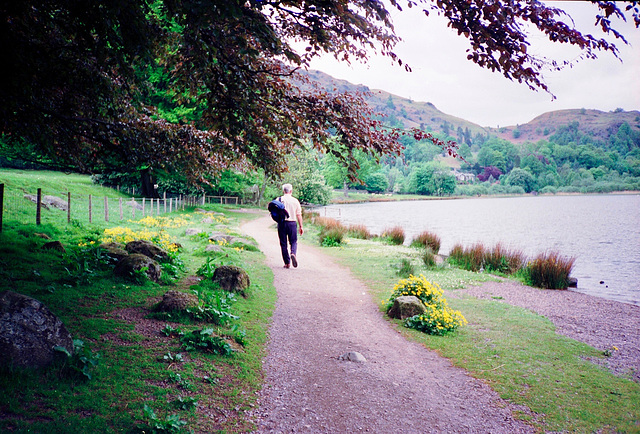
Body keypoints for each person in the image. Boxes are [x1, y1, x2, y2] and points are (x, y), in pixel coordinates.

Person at [277, 183, 304, 268]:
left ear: (283, 191)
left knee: (283, 243)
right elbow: (299, 214)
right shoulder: (295, 201)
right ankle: (293, 253)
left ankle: (287, 263)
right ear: (291, 191)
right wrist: (301, 226)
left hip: (282, 223)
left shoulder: (279, 199)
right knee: (293, 241)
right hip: (292, 223)